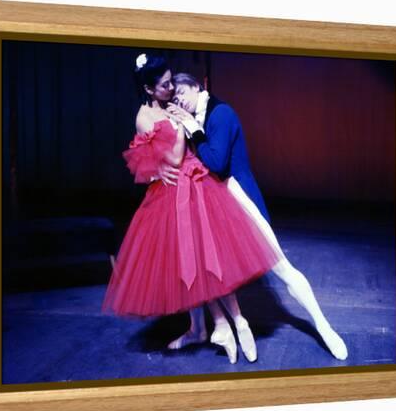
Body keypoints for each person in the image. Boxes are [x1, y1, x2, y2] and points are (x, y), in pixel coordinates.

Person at [102, 54, 282, 364]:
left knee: (213, 258)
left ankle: (235, 323)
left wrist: (186, 121)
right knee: (192, 262)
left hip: (198, 182)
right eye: (164, 85)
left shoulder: (174, 103)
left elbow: (197, 141)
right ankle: (218, 326)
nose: (171, 88)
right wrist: (179, 124)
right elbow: (170, 159)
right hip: (171, 192)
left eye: (172, 81)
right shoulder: (145, 116)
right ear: (148, 89)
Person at [163, 72, 348, 361]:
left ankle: (323, 326)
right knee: (201, 265)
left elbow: (216, 163)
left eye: (181, 95)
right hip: (219, 205)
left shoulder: (220, 113)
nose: (179, 101)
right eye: (174, 99)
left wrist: (191, 128)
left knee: (281, 267)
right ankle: (203, 327)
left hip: (242, 200)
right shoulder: (193, 117)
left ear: (196, 86)